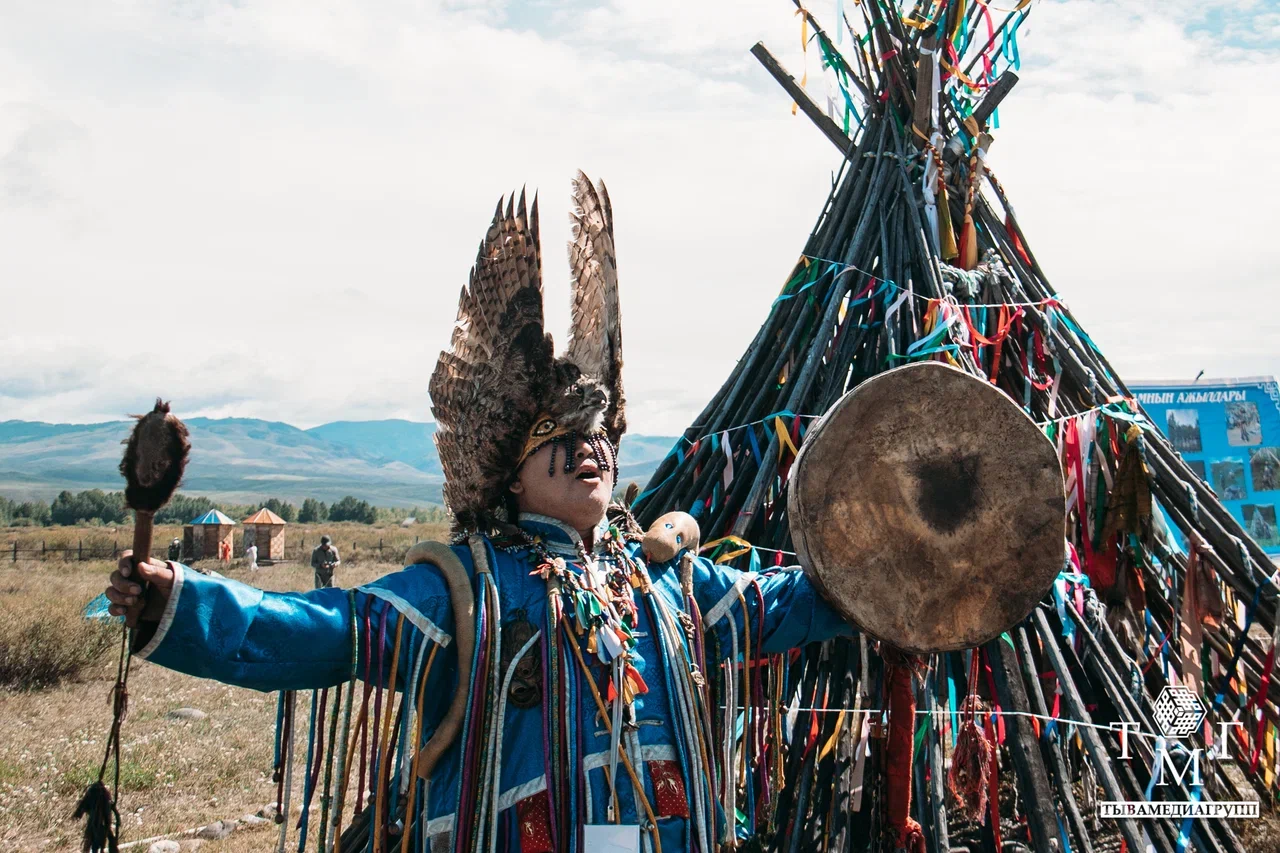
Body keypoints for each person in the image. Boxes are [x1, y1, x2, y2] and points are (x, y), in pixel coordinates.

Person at [103, 175, 852, 853]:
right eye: (559, 437)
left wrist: (893, 565)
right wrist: (180, 596)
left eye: (599, 434)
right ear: (509, 478)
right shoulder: (469, 592)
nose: (588, 448)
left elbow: (779, 604)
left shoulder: (669, 586)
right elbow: (324, 631)